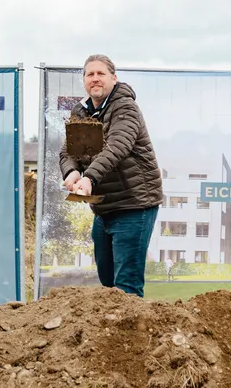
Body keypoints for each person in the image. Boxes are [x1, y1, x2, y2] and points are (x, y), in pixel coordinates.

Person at [60, 55, 163, 297]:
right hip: (105, 207)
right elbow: (68, 149)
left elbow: (117, 146)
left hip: (134, 203)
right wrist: (72, 171)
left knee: (126, 287)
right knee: (107, 286)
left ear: (113, 78)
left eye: (101, 73)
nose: (95, 78)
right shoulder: (81, 110)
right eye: (89, 74)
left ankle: (133, 334)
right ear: (84, 81)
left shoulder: (125, 107)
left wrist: (89, 178)